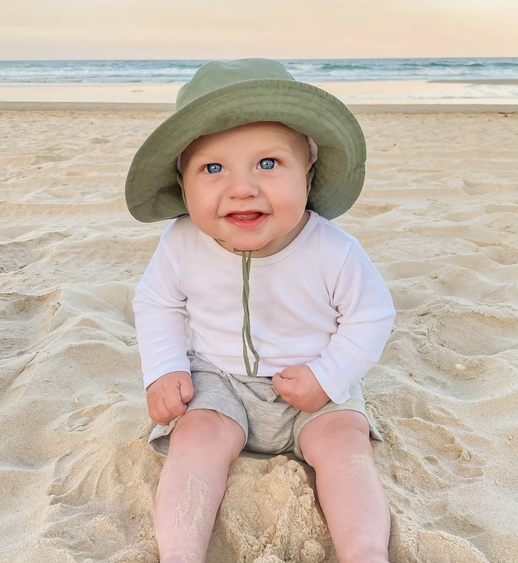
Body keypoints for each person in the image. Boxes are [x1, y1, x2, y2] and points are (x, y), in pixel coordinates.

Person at [126, 58, 395, 563]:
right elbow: (158, 302)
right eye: (212, 168)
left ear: (308, 173)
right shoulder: (181, 242)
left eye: (268, 164)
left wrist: (330, 376)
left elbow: (371, 315)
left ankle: (364, 552)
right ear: (183, 183)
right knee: (197, 437)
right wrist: (164, 369)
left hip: (313, 384)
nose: (242, 187)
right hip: (218, 379)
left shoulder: (332, 249)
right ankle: (180, 553)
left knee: (344, 445)